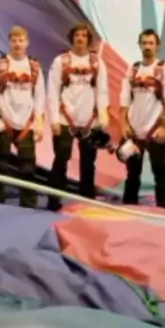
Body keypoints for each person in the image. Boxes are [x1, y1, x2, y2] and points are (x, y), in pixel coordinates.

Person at [0, 25, 45, 207]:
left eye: (21, 40)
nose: (17, 44)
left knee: (28, 167)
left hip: (26, 123)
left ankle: (29, 205)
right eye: (14, 40)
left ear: (27, 42)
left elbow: (40, 96)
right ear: (9, 42)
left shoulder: (34, 68)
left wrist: (39, 121)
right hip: (3, 119)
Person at [47, 23, 109, 212]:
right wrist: (54, 120)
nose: (80, 38)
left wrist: (103, 115)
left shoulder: (97, 63)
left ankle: (87, 201)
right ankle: (54, 200)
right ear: (72, 38)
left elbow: (102, 91)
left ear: (88, 40)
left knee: (88, 163)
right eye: (77, 35)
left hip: (89, 119)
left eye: (84, 36)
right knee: (61, 159)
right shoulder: (60, 61)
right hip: (64, 119)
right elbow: (52, 91)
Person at [119, 29, 165, 208]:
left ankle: (164, 208)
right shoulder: (133, 69)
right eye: (144, 43)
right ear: (139, 45)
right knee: (132, 172)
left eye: (151, 43)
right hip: (134, 129)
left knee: (159, 170)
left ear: (157, 46)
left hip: (155, 129)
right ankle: (129, 207)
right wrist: (123, 124)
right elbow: (124, 99)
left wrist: (164, 127)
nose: (147, 46)